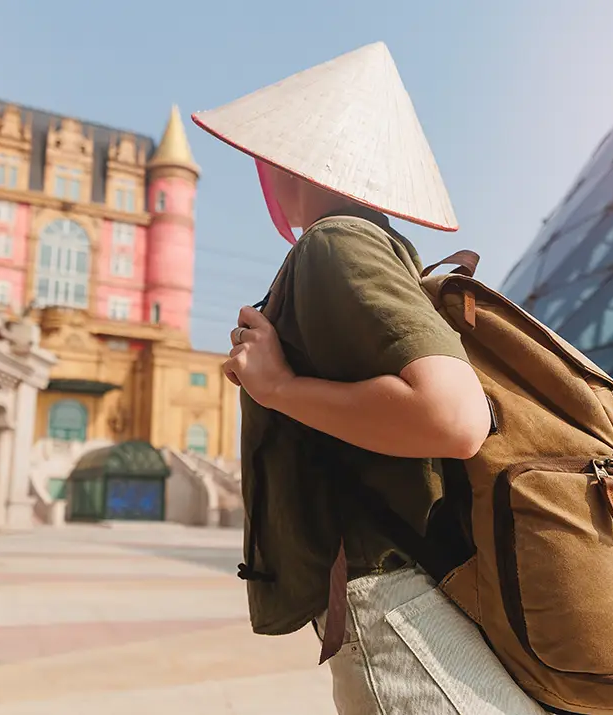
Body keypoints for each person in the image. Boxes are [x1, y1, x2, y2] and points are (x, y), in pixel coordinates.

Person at [192, 43, 546, 715]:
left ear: (291, 159)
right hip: (416, 590)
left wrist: (277, 388)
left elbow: (453, 417)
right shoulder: (390, 251)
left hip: (392, 600)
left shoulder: (335, 244)